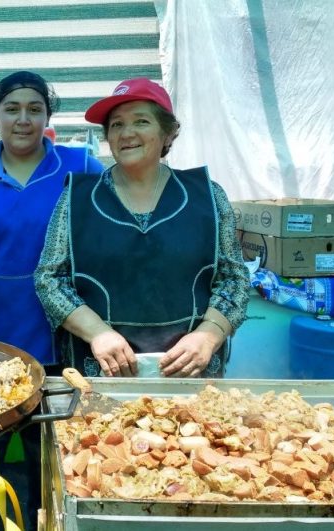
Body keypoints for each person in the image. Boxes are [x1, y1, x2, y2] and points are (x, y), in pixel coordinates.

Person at [0, 70, 104, 530]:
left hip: (58, 329)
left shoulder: (81, 168)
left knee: (53, 449)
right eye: (12, 109)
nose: (23, 120)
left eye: (35, 109)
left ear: (48, 118)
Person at [35, 77, 249, 378]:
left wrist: (209, 335)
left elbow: (234, 280)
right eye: (117, 124)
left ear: (168, 132)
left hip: (189, 371)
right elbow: (50, 278)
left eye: (141, 121)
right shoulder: (77, 198)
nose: (127, 133)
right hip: (102, 371)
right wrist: (98, 333)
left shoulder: (208, 196)